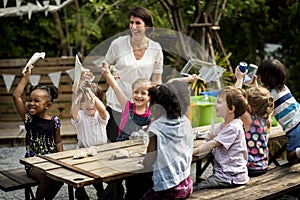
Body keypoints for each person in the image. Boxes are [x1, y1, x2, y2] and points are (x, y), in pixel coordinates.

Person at [100, 6, 163, 143]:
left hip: (142, 107)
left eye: (138, 23)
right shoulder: (118, 44)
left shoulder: (155, 48)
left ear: (147, 26)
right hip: (117, 103)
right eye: (131, 22)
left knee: (140, 144)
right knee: (113, 144)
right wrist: (110, 72)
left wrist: (157, 105)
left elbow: (157, 79)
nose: (133, 26)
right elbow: (105, 65)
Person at [101, 64, 153, 200]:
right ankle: (111, 194)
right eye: (136, 92)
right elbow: (115, 87)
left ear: (150, 97)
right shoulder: (127, 106)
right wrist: (107, 73)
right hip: (121, 150)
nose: (139, 96)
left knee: (138, 180)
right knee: (116, 180)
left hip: (139, 152)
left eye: (143, 93)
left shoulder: (151, 114)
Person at [12, 67, 63, 200]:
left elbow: (58, 142)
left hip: (52, 160)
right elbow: (16, 96)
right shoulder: (29, 119)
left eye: (36, 101)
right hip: (33, 164)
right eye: (30, 100)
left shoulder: (55, 121)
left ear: (48, 105)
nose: (31, 104)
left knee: (61, 178)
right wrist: (26, 77)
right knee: (45, 176)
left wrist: (62, 159)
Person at [141, 80, 194, 200]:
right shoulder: (185, 122)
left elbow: (149, 161)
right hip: (186, 185)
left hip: (168, 190)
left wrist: (143, 163)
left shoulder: (156, 127)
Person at [193, 86, 249, 190]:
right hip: (225, 175)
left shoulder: (234, 127)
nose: (214, 104)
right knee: (198, 186)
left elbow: (213, 143)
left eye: (218, 102)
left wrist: (191, 152)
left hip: (231, 177)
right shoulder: (224, 124)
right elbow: (210, 137)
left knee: (197, 189)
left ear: (231, 109)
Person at [71, 78, 109, 199]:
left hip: (102, 151)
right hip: (83, 152)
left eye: (92, 100)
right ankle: (80, 192)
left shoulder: (102, 115)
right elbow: (73, 113)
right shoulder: (81, 116)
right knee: (77, 172)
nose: (89, 104)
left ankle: (102, 192)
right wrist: (76, 95)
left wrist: (90, 93)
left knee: (100, 176)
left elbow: (102, 109)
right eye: (85, 101)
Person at [256, 59, 300, 164]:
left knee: (291, 157)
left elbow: (259, 99)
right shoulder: (284, 88)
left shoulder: (269, 96)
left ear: (264, 77)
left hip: (294, 128)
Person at [235, 67, 274, 176]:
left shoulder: (249, 121)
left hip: (250, 169)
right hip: (263, 166)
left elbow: (236, 99)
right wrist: (254, 84)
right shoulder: (267, 118)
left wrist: (239, 79)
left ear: (250, 107)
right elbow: (261, 100)